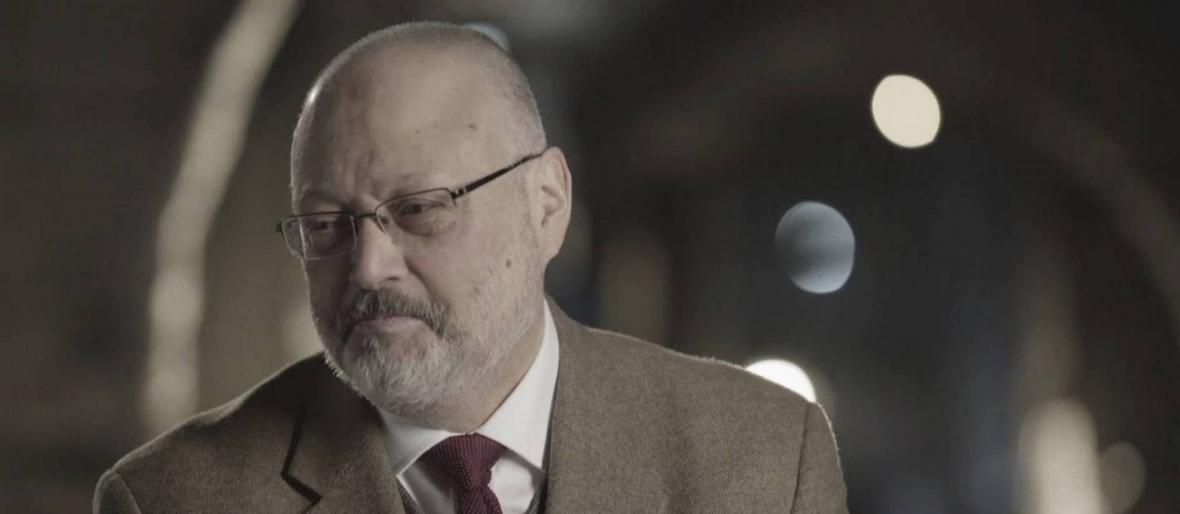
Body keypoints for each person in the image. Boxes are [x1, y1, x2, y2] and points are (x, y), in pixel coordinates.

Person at [94, 21, 848, 514]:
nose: (369, 267)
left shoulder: (764, 463)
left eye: (420, 209)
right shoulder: (171, 499)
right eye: (326, 225)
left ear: (547, 204)